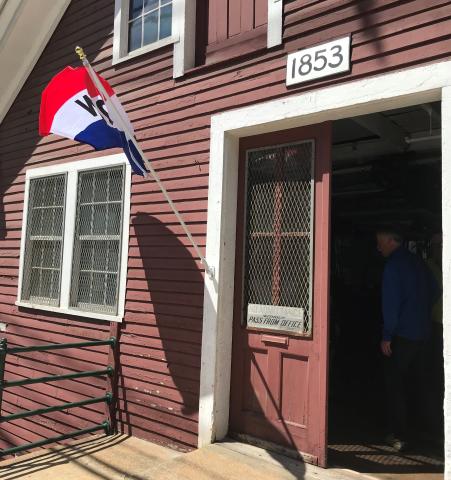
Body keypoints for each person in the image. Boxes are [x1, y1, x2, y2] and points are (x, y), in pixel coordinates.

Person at [376, 227, 438, 452]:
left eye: (380, 242)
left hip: (402, 336)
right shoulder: (418, 263)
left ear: (393, 241)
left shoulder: (393, 267)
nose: (378, 247)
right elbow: (436, 289)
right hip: (424, 333)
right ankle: (434, 430)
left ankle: (398, 434)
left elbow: (390, 306)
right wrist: (420, 311)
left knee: (395, 384)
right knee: (424, 382)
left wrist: (387, 336)